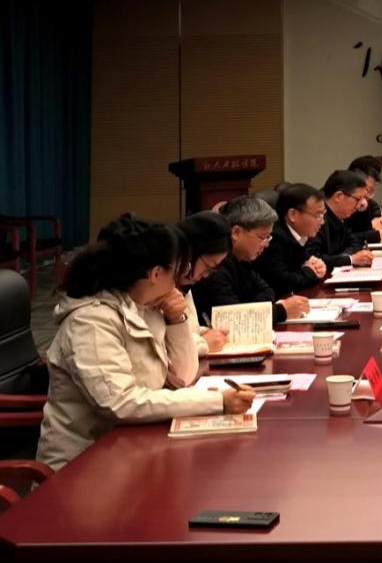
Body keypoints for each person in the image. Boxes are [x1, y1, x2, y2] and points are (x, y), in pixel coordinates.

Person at [36, 214, 254, 471]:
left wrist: (177, 320)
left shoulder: (145, 305)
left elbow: (183, 376)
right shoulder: (90, 321)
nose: (178, 281)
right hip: (84, 465)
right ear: (156, 273)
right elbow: (120, 403)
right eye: (177, 270)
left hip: (133, 449)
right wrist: (216, 402)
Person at [192, 196, 309, 326]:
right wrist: (280, 311)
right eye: (263, 237)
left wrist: (248, 307)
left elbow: (268, 292)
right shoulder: (215, 267)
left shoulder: (242, 260)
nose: (266, 244)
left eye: (268, 237)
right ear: (236, 232)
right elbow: (231, 319)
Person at [254, 183, 328, 298]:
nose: (322, 222)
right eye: (317, 215)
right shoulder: (274, 239)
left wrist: (317, 268)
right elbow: (284, 283)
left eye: (323, 215)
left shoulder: (303, 234)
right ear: (293, 215)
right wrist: (310, 272)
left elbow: (305, 270)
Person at [175, 211, 231, 356]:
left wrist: (207, 333)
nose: (206, 275)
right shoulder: (160, 288)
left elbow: (190, 329)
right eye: (209, 267)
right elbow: (161, 349)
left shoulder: (185, 285)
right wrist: (203, 343)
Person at [307, 169, 375, 268]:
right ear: (339, 196)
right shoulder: (317, 219)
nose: (359, 205)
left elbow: (354, 242)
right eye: (357, 199)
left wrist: (344, 257)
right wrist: (350, 259)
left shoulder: (342, 216)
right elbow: (314, 259)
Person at [346, 156, 382, 244]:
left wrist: (380, 217)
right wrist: (374, 235)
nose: (368, 196)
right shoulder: (340, 201)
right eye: (368, 190)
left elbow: (378, 208)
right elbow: (340, 241)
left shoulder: (362, 201)